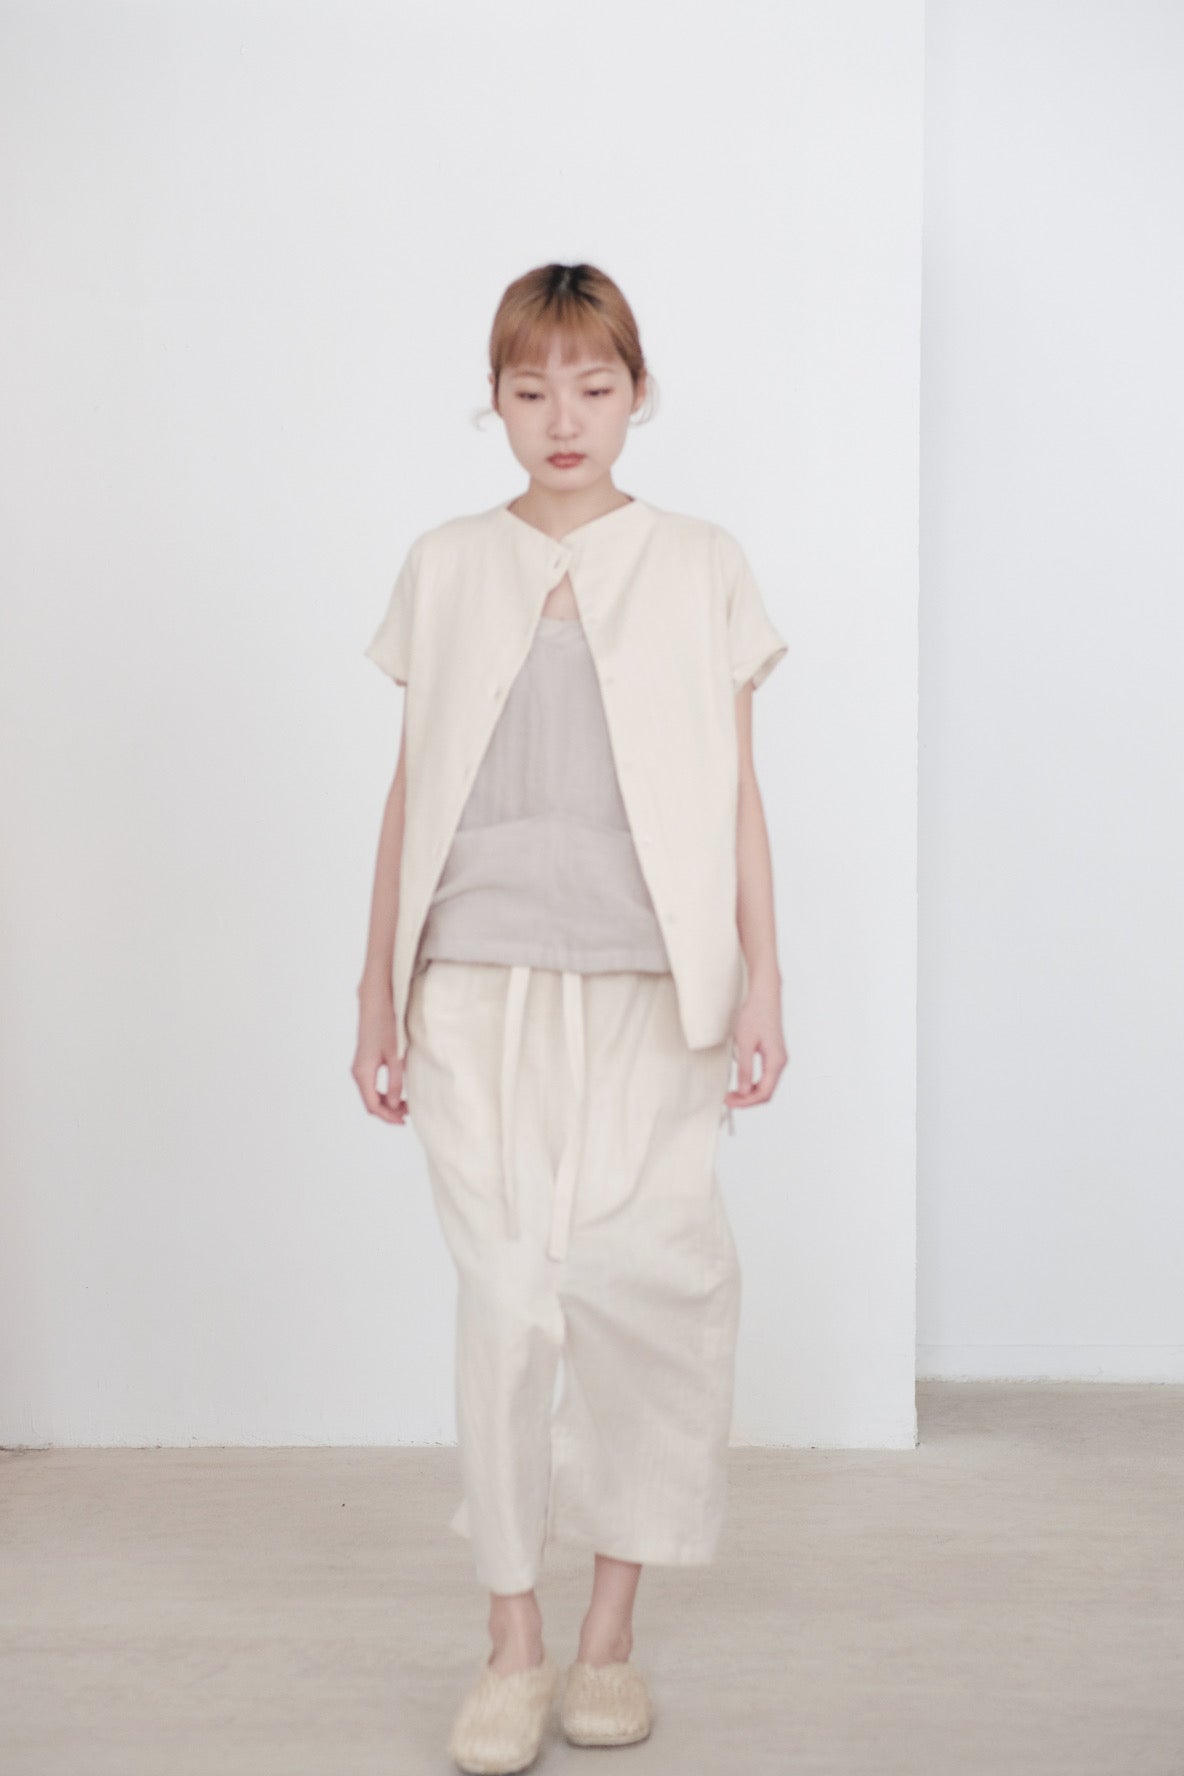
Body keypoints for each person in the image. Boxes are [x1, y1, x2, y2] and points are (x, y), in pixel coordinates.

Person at [353, 262, 789, 1774]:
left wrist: (765, 979)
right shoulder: (446, 563)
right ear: (495, 398)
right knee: (506, 1301)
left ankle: (607, 1640)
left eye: (594, 387)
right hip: (472, 975)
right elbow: (411, 790)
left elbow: (737, 794)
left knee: (646, 1291)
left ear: (637, 394)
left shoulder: (702, 561)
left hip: (655, 981)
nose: (563, 417)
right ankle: (510, 1644)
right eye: (531, 387)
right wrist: (374, 988)